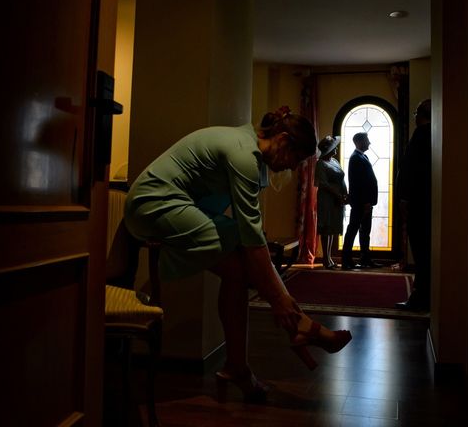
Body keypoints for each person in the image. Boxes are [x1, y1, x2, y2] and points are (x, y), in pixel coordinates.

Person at [124, 107, 352, 403]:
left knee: (238, 267)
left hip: (176, 205)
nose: (291, 168)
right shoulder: (243, 154)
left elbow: (249, 236)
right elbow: (252, 239)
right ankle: (299, 326)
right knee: (244, 248)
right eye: (295, 159)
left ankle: (239, 365)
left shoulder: (251, 154)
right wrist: (280, 302)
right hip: (152, 205)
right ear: (282, 140)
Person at [395, 99, 432, 311]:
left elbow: (410, 169)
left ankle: (420, 298)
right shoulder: (433, 134)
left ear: (420, 114)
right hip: (425, 201)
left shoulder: (421, 134)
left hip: (418, 203)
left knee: (420, 250)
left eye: (415, 114)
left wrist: (404, 198)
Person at [341, 132, 381, 270]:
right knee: (353, 230)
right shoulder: (355, 158)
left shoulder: (362, 156)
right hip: (361, 203)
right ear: (359, 142)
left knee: (365, 231)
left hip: (366, 202)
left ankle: (365, 259)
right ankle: (346, 261)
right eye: (367, 140)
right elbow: (358, 183)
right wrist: (365, 202)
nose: (369, 142)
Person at [314, 135, 348, 270]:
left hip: (337, 198)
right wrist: (337, 195)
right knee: (326, 227)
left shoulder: (334, 161)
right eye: (334, 147)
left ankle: (329, 258)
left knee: (333, 226)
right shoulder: (320, 163)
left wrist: (344, 194)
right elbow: (323, 184)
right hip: (327, 198)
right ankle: (325, 259)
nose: (337, 148)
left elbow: (341, 179)